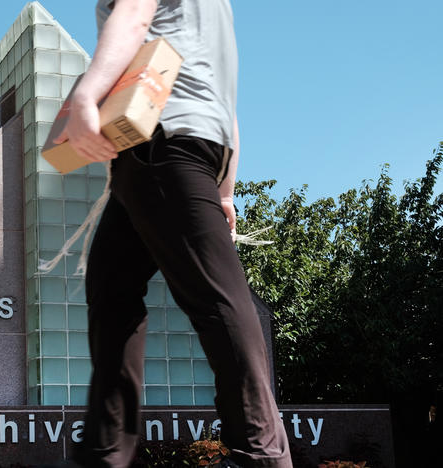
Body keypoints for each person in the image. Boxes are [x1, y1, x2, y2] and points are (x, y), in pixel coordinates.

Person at [53, 1, 292, 467]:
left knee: (215, 298)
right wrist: (225, 187)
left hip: (160, 140)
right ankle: (106, 450)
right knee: (112, 290)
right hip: (187, 146)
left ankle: (261, 454)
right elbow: (225, 93)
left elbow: (135, 16)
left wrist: (87, 94)